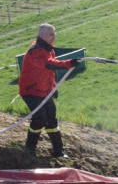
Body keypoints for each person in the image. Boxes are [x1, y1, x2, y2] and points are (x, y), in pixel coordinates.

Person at [18, 24, 82, 159]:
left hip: (45, 91)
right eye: (51, 34)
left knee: (52, 120)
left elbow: (48, 73)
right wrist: (69, 63)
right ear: (41, 35)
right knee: (40, 118)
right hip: (31, 91)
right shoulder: (35, 51)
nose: (54, 37)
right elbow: (50, 64)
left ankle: (58, 151)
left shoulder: (48, 49)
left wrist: (52, 88)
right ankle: (30, 148)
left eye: (54, 33)